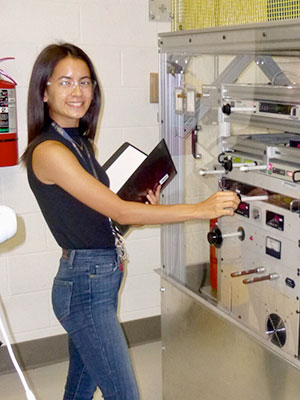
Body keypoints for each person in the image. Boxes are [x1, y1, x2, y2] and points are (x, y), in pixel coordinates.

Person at [22, 43, 240, 400]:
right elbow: (118, 211)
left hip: (98, 278)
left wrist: (137, 210)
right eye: (64, 82)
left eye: (85, 82)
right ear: (44, 91)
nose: (77, 92)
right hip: (84, 286)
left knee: (79, 387)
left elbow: (105, 216)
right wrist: (201, 209)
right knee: (124, 394)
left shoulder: (79, 143)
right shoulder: (50, 152)